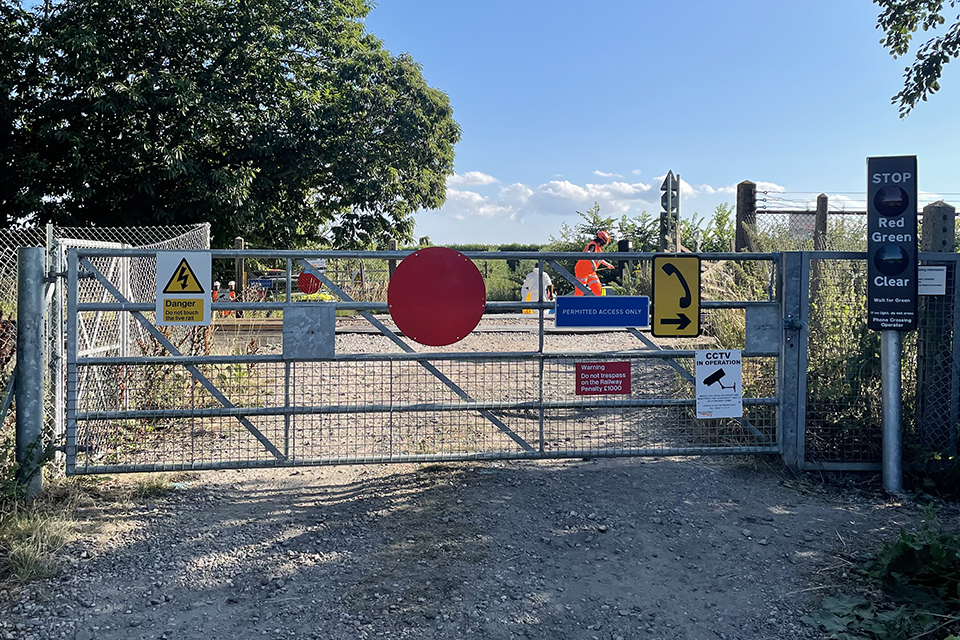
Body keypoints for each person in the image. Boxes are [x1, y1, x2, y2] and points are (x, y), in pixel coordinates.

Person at [574, 230, 613, 296]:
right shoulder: (593, 245)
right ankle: (576, 305)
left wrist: (608, 265)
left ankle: (596, 305)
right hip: (582, 270)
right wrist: (593, 263)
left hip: (590, 272)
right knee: (580, 291)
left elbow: (599, 260)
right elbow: (587, 253)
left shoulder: (597, 249)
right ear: (601, 240)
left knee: (597, 289)